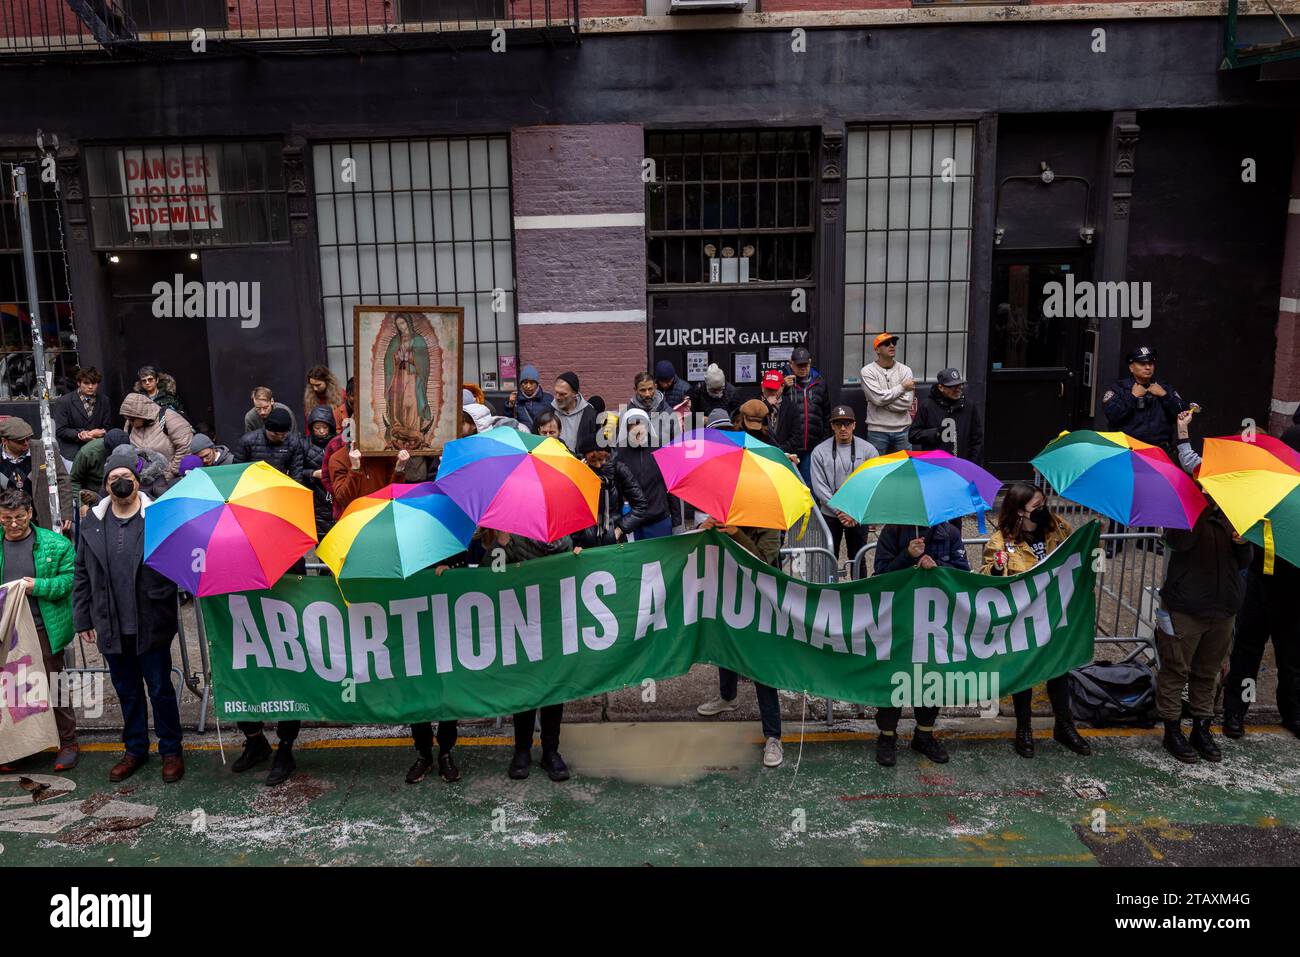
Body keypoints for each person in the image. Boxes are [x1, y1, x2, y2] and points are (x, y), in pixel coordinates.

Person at [73, 453, 183, 783]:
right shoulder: (92, 521)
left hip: (151, 619)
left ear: (137, 481)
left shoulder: (157, 516)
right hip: (111, 622)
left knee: (160, 688)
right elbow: (81, 573)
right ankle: (135, 749)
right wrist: (83, 619)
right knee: (127, 691)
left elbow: (176, 562)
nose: (120, 483)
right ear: (106, 485)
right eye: (113, 478)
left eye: (126, 477)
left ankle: (171, 750)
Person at [980, 483, 1092, 758]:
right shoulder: (1000, 542)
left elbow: (1080, 549)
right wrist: (996, 567)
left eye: (1044, 503)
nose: (1043, 510)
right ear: (1020, 511)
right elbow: (987, 578)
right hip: (1023, 620)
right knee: (1026, 672)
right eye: (1037, 506)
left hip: (1055, 612)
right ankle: (1024, 728)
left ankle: (1065, 726)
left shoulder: (1057, 527)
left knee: (1059, 669)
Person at [479, 527, 582, 781]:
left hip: (553, 624)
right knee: (525, 687)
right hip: (522, 624)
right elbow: (488, 573)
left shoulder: (566, 541)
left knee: (553, 689)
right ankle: (522, 751)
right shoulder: (513, 539)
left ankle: (551, 752)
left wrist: (580, 559)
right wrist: (500, 546)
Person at [1155, 498, 1253, 764]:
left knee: (1208, 673)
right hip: (1186, 608)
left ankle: (1201, 728)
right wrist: (1200, 512)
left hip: (1223, 609)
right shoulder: (1182, 509)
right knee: (1176, 670)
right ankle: (1172, 730)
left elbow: (1245, 561)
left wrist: (1241, 543)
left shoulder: (1237, 512)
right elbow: (1178, 543)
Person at [872, 520, 969, 766]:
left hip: (935, 621)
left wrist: (937, 566)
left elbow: (963, 574)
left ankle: (924, 734)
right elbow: (880, 576)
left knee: (930, 676)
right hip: (897, 619)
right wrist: (907, 556)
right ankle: (887, 736)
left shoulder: (951, 534)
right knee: (894, 676)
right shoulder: (891, 533)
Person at [694, 512, 786, 769]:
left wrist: (736, 533)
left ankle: (773, 736)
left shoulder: (770, 521)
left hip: (761, 603)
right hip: (730, 594)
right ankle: (727, 697)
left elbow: (764, 561)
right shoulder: (723, 512)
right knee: (726, 646)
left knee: (762, 666)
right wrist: (704, 528)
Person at [0, 489, 78, 770]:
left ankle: (68, 742)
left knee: (54, 684)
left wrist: (39, 586)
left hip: (44, 627)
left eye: (19, 516)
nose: (13, 523)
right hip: (9, 632)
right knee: (15, 692)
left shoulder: (55, 545)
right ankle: (22, 746)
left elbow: (70, 580)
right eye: (6, 517)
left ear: (30, 513)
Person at [810, 405, 877, 563]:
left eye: (846, 423)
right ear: (832, 426)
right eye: (838, 424)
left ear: (854, 425)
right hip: (830, 514)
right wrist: (840, 509)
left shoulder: (869, 450)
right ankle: (829, 588)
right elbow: (819, 487)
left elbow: (871, 484)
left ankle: (860, 588)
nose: (842, 428)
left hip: (857, 514)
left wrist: (853, 509)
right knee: (828, 560)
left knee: (858, 559)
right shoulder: (819, 451)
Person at [574, 425, 651, 548]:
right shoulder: (578, 473)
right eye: (593, 461)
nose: (598, 465)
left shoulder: (619, 470)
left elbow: (640, 505)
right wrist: (577, 541)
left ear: (608, 455)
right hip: (585, 544)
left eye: (601, 459)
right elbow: (572, 512)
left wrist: (620, 529)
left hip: (615, 540)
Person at [1102, 346, 1185, 452]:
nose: (1148, 367)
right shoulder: (1119, 389)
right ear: (1131, 368)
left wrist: (1165, 396)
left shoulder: (1164, 388)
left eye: (1150, 364)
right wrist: (1132, 396)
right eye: (1142, 364)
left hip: (1159, 451)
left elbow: (1183, 414)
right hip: (1129, 451)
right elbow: (1113, 415)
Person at [0, 417, 72, 533]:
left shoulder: (45, 449)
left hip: (43, 518)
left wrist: (66, 512)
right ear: (5, 441)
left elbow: (63, 480)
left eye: (28, 439)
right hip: (10, 522)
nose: (26, 443)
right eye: (20, 441)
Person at [909, 367, 984, 465]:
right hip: (935, 466)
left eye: (959, 384)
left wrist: (973, 465)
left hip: (962, 465)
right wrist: (936, 433)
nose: (958, 389)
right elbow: (913, 436)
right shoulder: (927, 406)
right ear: (941, 387)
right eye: (953, 386)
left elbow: (977, 439)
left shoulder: (969, 406)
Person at [781, 346, 831, 484]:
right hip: (789, 446)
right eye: (799, 365)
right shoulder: (782, 383)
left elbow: (826, 414)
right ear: (791, 364)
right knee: (789, 485)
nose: (803, 368)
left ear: (810, 362)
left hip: (812, 446)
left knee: (809, 486)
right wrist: (783, 387)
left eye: (805, 364)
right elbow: (768, 405)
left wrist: (823, 442)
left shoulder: (820, 383)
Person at [860, 332, 915, 455]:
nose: (892, 346)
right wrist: (902, 387)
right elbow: (878, 399)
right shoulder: (867, 371)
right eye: (886, 343)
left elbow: (907, 403)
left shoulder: (905, 370)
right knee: (876, 470)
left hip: (903, 430)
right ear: (877, 350)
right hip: (877, 431)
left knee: (905, 470)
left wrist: (883, 401)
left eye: (893, 343)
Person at [119, 391, 193, 477]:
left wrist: (171, 472)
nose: (129, 421)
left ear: (141, 415)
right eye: (126, 418)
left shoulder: (167, 417)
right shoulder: (130, 425)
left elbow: (185, 446)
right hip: (145, 479)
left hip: (169, 477)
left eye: (132, 419)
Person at [52, 366, 113, 464]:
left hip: (97, 451)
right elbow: (60, 430)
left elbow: (108, 427)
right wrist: (81, 434)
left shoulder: (104, 400)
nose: (90, 386)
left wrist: (101, 432)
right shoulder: (64, 402)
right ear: (78, 383)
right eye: (86, 383)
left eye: (94, 383)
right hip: (72, 453)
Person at [234, 406, 306, 482]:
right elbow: (236, 471)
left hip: (280, 485)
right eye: (275, 434)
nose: (280, 437)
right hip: (253, 484)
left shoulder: (293, 442)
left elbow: (296, 472)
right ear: (267, 429)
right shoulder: (247, 441)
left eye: (284, 434)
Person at [70, 426, 129, 505]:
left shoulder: (130, 454)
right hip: (91, 497)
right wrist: (82, 505)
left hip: (120, 496)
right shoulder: (88, 453)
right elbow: (74, 481)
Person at [303, 406, 338, 539]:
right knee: (321, 539)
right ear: (312, 427)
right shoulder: (304, 444)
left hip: (336, 495)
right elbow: (296, 471)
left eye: (325, 427)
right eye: (317, 428)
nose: (321, 431)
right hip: (315, 498)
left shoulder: (338, 443)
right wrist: (312, 473)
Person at [628, 372, 682, 448]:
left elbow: (677, 443)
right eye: (643, 390)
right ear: (635, 390)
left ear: (655, 387)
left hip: (663, 458)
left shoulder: (668, 412)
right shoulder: (628, 415)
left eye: (650, 389)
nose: (647, 394)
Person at [550, 372, 596, 454]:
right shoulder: (548, 412)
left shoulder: (590, 414)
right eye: (556, 393)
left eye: (562, 394)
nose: (557, 397)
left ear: (575, 393)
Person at [506, 364, 551, 431]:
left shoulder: (548, 399)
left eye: (532, 383)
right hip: (524, 438)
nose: (528, 386)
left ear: (537, 384)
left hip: (542, 437)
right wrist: (509, 406)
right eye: (525, 382)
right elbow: (508, 422)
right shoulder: (515, 400)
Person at [303, 364, 346, 432]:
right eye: (312, 385)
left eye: (318, 385)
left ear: (327, 381)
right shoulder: (309, 398)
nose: (314, 389)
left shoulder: (341, 395)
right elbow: (308, 424)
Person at [760, 369, 792, 446]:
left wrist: (780, 452)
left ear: (782, 387)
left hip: (783, 453)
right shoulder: (754, 403)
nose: (772, 392)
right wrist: (766, 405)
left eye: (774, 389)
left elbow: (796, 437)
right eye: (768, 389)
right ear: (762, 387)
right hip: (761, 452)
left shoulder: (790, 406)